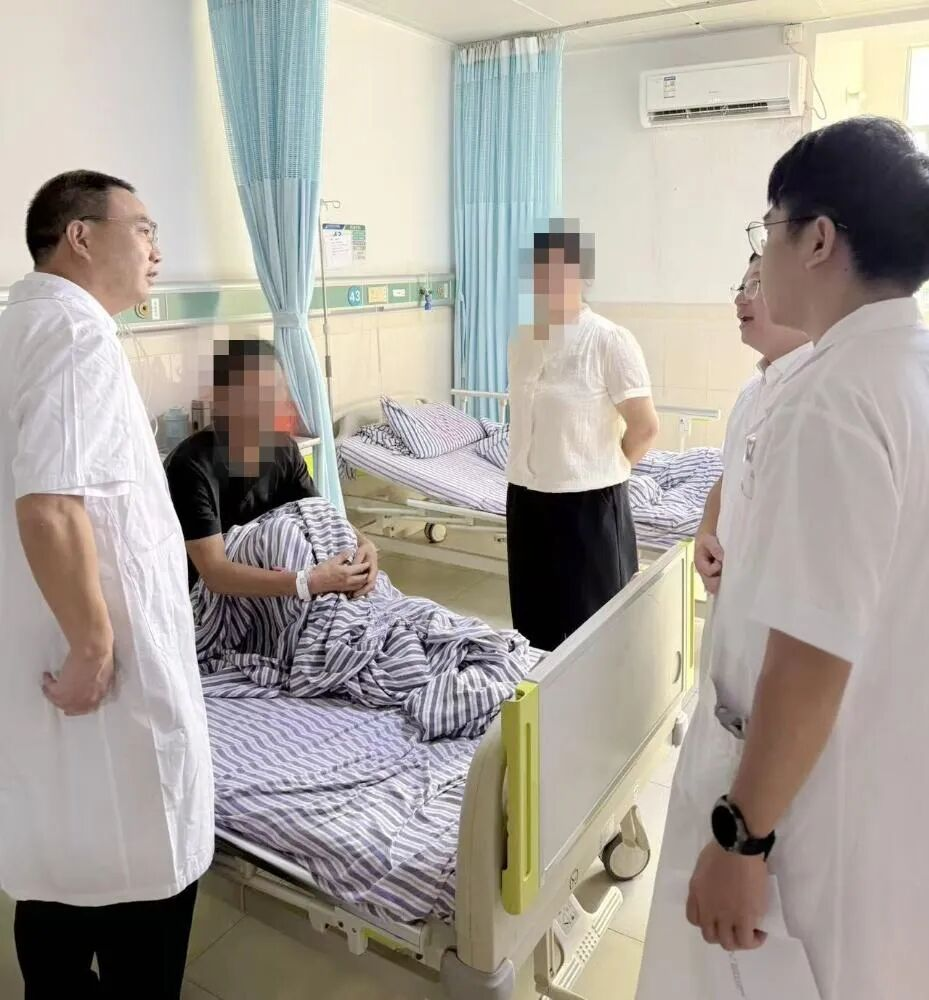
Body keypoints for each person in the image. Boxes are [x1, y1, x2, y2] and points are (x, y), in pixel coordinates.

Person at [637, 117, 929, 1000]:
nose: (759, 258)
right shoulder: (904, 370)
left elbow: (808, 658)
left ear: (817, 239)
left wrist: (742, 837)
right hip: (878, 768)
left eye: (766, 229)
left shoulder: (829, 399)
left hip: (806, 800)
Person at [0, 171, 214, 998]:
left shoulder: (20, 325)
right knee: (141, 887)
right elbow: (48, 505)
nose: (157, 248)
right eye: (144, 228)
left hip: (39, 665)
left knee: (55, 883)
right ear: (81, 236)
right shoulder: (75, 333)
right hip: (99, 678)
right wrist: (92, 646)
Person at [506, 225, 659, 651]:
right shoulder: (522, 341)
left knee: (593, 635)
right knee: (533, 628)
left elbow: (645, 427)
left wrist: (603, 469)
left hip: (589, 505)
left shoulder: (609, 340)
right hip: (526, 500)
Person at [164, 337, 379, 599]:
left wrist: (364, 543)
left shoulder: (284, 450)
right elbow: (215, 573)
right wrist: (307, 583)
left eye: (274, 389)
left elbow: (318, 515)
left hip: (286, 584)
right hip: (219, 601)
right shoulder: (189, 467)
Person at [694, 253, 811, 598]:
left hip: (780, 608)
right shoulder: (751, 391)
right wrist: (705, 532)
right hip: (730, 595)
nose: (739, 299)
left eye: (756, 284)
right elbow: (730, 475)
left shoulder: (821, 396)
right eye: (741, 287)